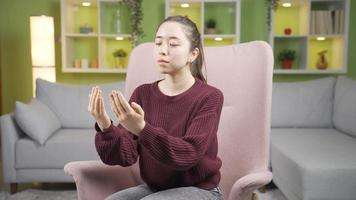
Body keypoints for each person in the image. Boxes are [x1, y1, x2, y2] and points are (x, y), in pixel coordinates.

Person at [88, 15, 224, 200]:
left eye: (173, 44)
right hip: (157, 189)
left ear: (193, 54)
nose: (163, 50)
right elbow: (124, 156)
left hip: (201, 190)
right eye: (158, 43)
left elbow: (188, 154)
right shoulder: (143, 94)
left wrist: (142, 129)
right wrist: (105, 126)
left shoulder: (210, 96)